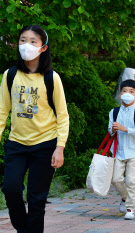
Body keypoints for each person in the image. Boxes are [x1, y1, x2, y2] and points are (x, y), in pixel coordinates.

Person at [0, 25, 69, 233]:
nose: (26, 45)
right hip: (17, 144)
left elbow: (63, 115)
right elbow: (2, 111)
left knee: (36, 200)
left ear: (43, 47)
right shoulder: (10, 75)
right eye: (22, 40)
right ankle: (24, 229)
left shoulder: (51, 78)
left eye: (32, 41)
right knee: (10, 189)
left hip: (45, 145)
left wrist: (60, 147)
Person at [109, 79, 135, 220]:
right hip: (118, 150)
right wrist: (112, 129)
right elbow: (110, 131)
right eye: (124, 91)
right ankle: (125, 198)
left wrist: (124, 129)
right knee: (115, 179)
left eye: (131, 92)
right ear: (120, 94)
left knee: (131, 180)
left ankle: (130, 208)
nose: (127, 94)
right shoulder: (113, 112)